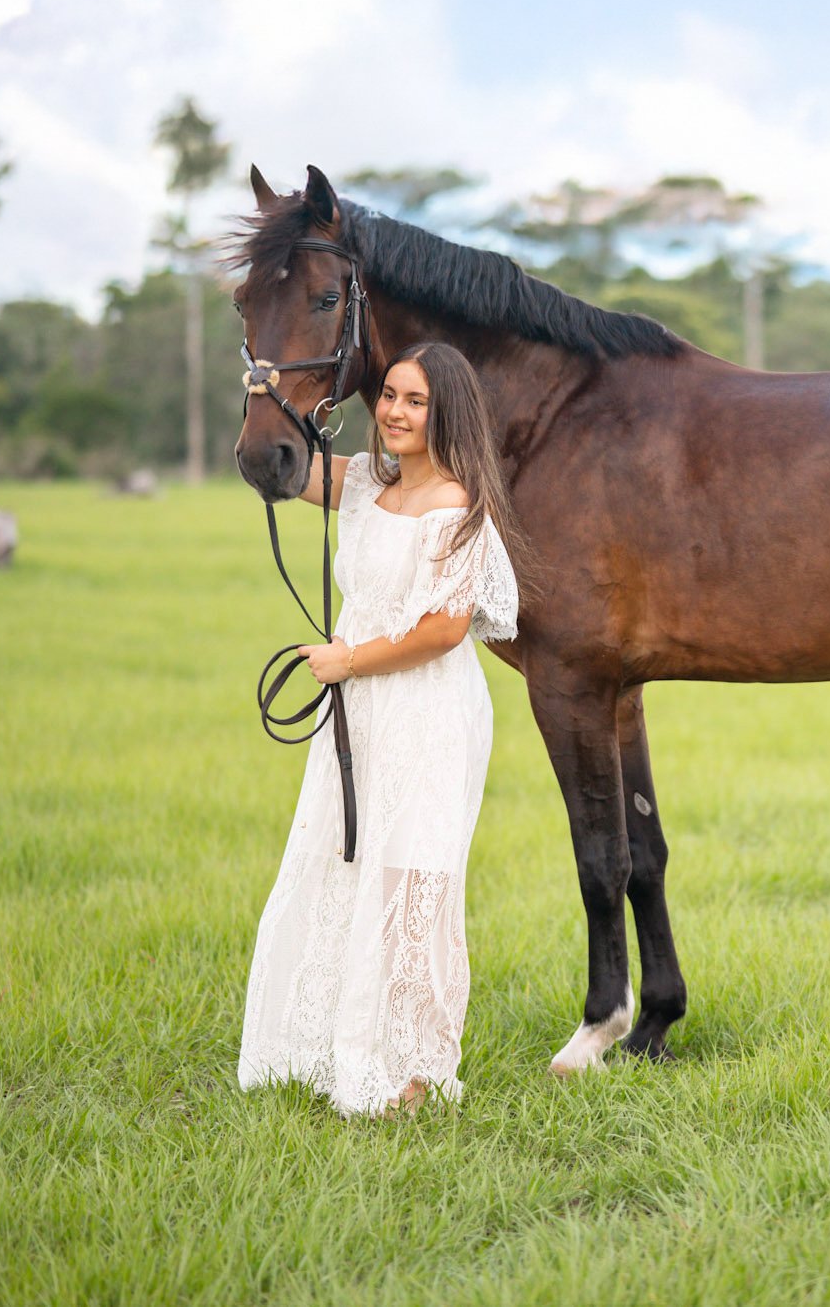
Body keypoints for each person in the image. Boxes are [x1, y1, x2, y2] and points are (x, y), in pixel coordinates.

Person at [237, 341, 528, 1116]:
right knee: (346, 857)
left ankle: (413, 1067)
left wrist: (348, 659)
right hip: (360, 705)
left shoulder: (458, 506)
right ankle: (329, 1047)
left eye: (416, 401)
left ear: (447, 413)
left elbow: (444, 629)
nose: (396, 412)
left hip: (426, 709)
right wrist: (269, 391)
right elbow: (287, 468)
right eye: (391, 396)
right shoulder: (367, 485)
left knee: (413, 874)